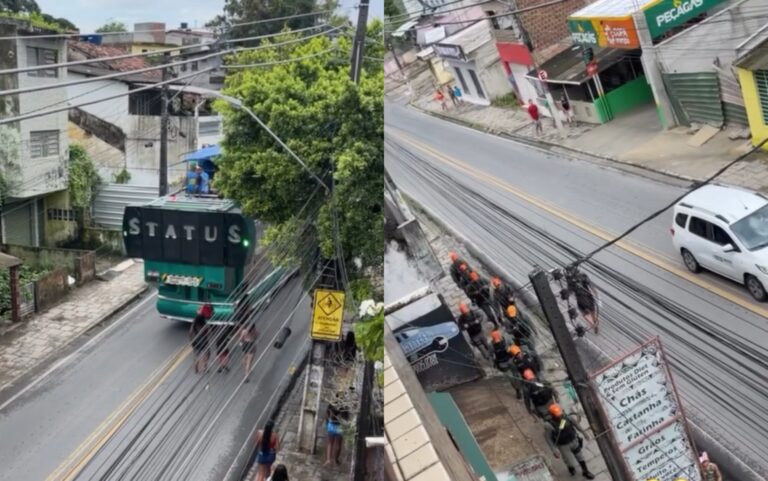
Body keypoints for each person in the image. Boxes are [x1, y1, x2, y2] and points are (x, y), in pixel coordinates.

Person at [544, 404, 595, 479]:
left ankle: (585, 471)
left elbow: (577, 425)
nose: (559, 416)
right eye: (557, 415)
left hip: (573, 440)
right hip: (563, 445)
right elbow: (548, 438)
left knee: (580, 457)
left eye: (560, 414)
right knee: (570, 462)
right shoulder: (548, 425)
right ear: (552, 415)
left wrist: (584, 433)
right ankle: (570, 467)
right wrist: (554, 450)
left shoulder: (568, 418)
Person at [565, 266, 598, 333]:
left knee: (584, 314)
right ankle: (595, 322)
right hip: (589, 295)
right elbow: (591, 285)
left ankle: (593, 324)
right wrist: (596, 294)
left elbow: (570, 291)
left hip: (580, 299)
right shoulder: (583, 275)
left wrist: (566, 294)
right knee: (593, 311)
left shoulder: (570, 281)